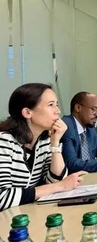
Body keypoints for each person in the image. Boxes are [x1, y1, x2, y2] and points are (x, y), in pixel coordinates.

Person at [0, 83, 86, 211]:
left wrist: (55, 144)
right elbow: (2, 198)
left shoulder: (43, 141)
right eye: (51, 105)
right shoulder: (4, 142)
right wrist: (60, 186)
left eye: (56, 104)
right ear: (27, 112)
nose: (58, 111)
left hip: (20, 215)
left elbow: (56, 183)